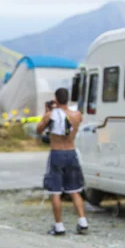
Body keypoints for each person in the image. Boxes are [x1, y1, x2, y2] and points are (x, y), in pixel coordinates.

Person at [36, 88, 88, 235]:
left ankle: (59, 226)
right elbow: (70, 121)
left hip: (57, 153)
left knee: (56, 191)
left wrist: (48, 111)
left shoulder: (51, 115)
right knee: (75, 190)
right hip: (71, 152)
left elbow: (39, 130)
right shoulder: (77, 115)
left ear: (56, 99)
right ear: (68, 98)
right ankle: (83, 221)